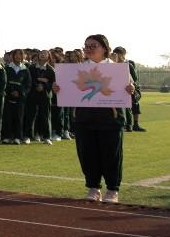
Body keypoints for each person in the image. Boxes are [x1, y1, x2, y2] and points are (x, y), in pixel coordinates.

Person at [56, 33, 134, 203]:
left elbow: (135, 94)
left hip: (111, 120)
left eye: (93, 46)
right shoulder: (76, 70)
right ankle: (93, 187)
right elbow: (67, 91)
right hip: (84, 119)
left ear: (105, 49)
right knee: (87, 154)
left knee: (111, 155)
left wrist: (132, 90)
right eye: (86, 46)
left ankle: (112, 189)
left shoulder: (119, 69)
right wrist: (58, 89)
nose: (88, 49)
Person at [112, 47, 144, 131]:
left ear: (123, 55)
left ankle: (130, 125)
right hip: (116, 89)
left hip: (128, 88)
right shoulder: (110, 64)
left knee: (130, 106)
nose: (116, 56)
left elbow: (135, 78)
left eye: (118, 54)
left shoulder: (128, 65)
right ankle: (124, 124)